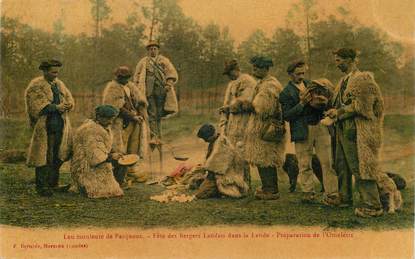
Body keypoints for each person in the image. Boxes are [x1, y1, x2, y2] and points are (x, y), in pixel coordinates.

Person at [326, 48, 384, 217]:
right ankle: (344, 198)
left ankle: (373, 205)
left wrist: (339, 113)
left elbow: (363, 107)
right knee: (341, 164)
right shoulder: (344, 80)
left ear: (350, 60)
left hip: (358, 131)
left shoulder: (363, 79)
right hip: (343, 129)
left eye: (339, 60)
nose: (336, 64)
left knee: (361, 165)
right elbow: (342, 103)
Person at [279, 60, 339, 205]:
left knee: (327, 162)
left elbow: (324, 103)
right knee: (304, 163)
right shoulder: (285, 93)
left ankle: (332, 193)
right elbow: (287, 115)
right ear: (290, 74)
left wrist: (322, 101)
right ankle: (308, 193)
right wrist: (302, 104)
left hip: (320, 126)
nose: (301, 76)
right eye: (297, 74)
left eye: (303, 73)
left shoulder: (312, 85)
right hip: (301, 130)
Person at [25, 59, 74, 196]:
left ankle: (53, 183)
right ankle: (42, 186)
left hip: (60, 125)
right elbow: (35, 106)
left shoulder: (59, 84)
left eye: (57, 72)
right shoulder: (36, 85)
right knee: (44, 155)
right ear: (45, 71)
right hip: (46, 125)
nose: (55, 75)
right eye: (53, 72)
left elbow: (69, 98)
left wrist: (68, 104)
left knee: (57, 154)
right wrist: (55, 107)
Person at [244, 56, 287, 200]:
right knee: (263, 157)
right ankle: (268, 187)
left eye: (257, 67)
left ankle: (271, 190)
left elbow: (262, 107)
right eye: (253, 67)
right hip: (262, 126)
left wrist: (244, 106)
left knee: (266, 157)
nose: (253, 70)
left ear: (265, 69)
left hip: (267, 127)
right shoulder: (263, 83)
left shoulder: (270, 85)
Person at [102, 66, 149, 185]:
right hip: (119, 123)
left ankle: (131, 172)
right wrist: (132, 116)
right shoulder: (112, 88)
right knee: (120, 148)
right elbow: (117, 107)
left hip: (134, 122)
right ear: (117, 77)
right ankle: (119, 176)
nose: (125, 80)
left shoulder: (130, 86)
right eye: (122, 78)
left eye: (127, 77)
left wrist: (141, 112)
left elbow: (139, 101)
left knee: (133, 147)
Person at [70, 105, 124, 198]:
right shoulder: (90, 130)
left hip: (99, 160)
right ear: (98, 117)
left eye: (112, 119)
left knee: (114, 189)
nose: (110, 122)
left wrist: (114, 153)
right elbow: (94, 154)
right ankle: (83, 185)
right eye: (108, 119)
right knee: (102, 191)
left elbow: (105, 146)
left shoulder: (102, 126)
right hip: (85, 165)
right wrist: (111, 157)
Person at [219, 59, 256, 188]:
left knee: (242, 151)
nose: (229, 76)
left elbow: (247, 102)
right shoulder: (232, 83)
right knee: (232, 151)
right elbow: (228, 101)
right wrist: (225, 112)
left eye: (230, 73)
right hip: (233, 123)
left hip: (244, 121)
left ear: (236, 70)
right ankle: (236, 182)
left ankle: (246, 182)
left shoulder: (247, 81)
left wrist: (230, 107)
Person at [133, 41, 178, 141]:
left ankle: (159, 135)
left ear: (158, 50)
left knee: (159, 113)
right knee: (151, 113)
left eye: (154, 49)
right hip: (148, 91)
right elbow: (137, 76)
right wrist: (137, 89)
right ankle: (154, 136)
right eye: (150, 49)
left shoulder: (164, 61)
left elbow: (171, 72)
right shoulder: (143, 62)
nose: (152, 51)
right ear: (147, 51)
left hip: (161, 91)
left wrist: (168, 84)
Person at [195, 123, 249, 199]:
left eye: (205, 139)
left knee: (201, 194)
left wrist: (207, 174)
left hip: (225, 175)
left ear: (209, 136)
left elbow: (217, 166)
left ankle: (219, 190)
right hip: (216, 173)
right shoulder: (215, 141)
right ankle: (214, 189)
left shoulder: (222, 143)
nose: (205, 141)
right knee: (198, 183)